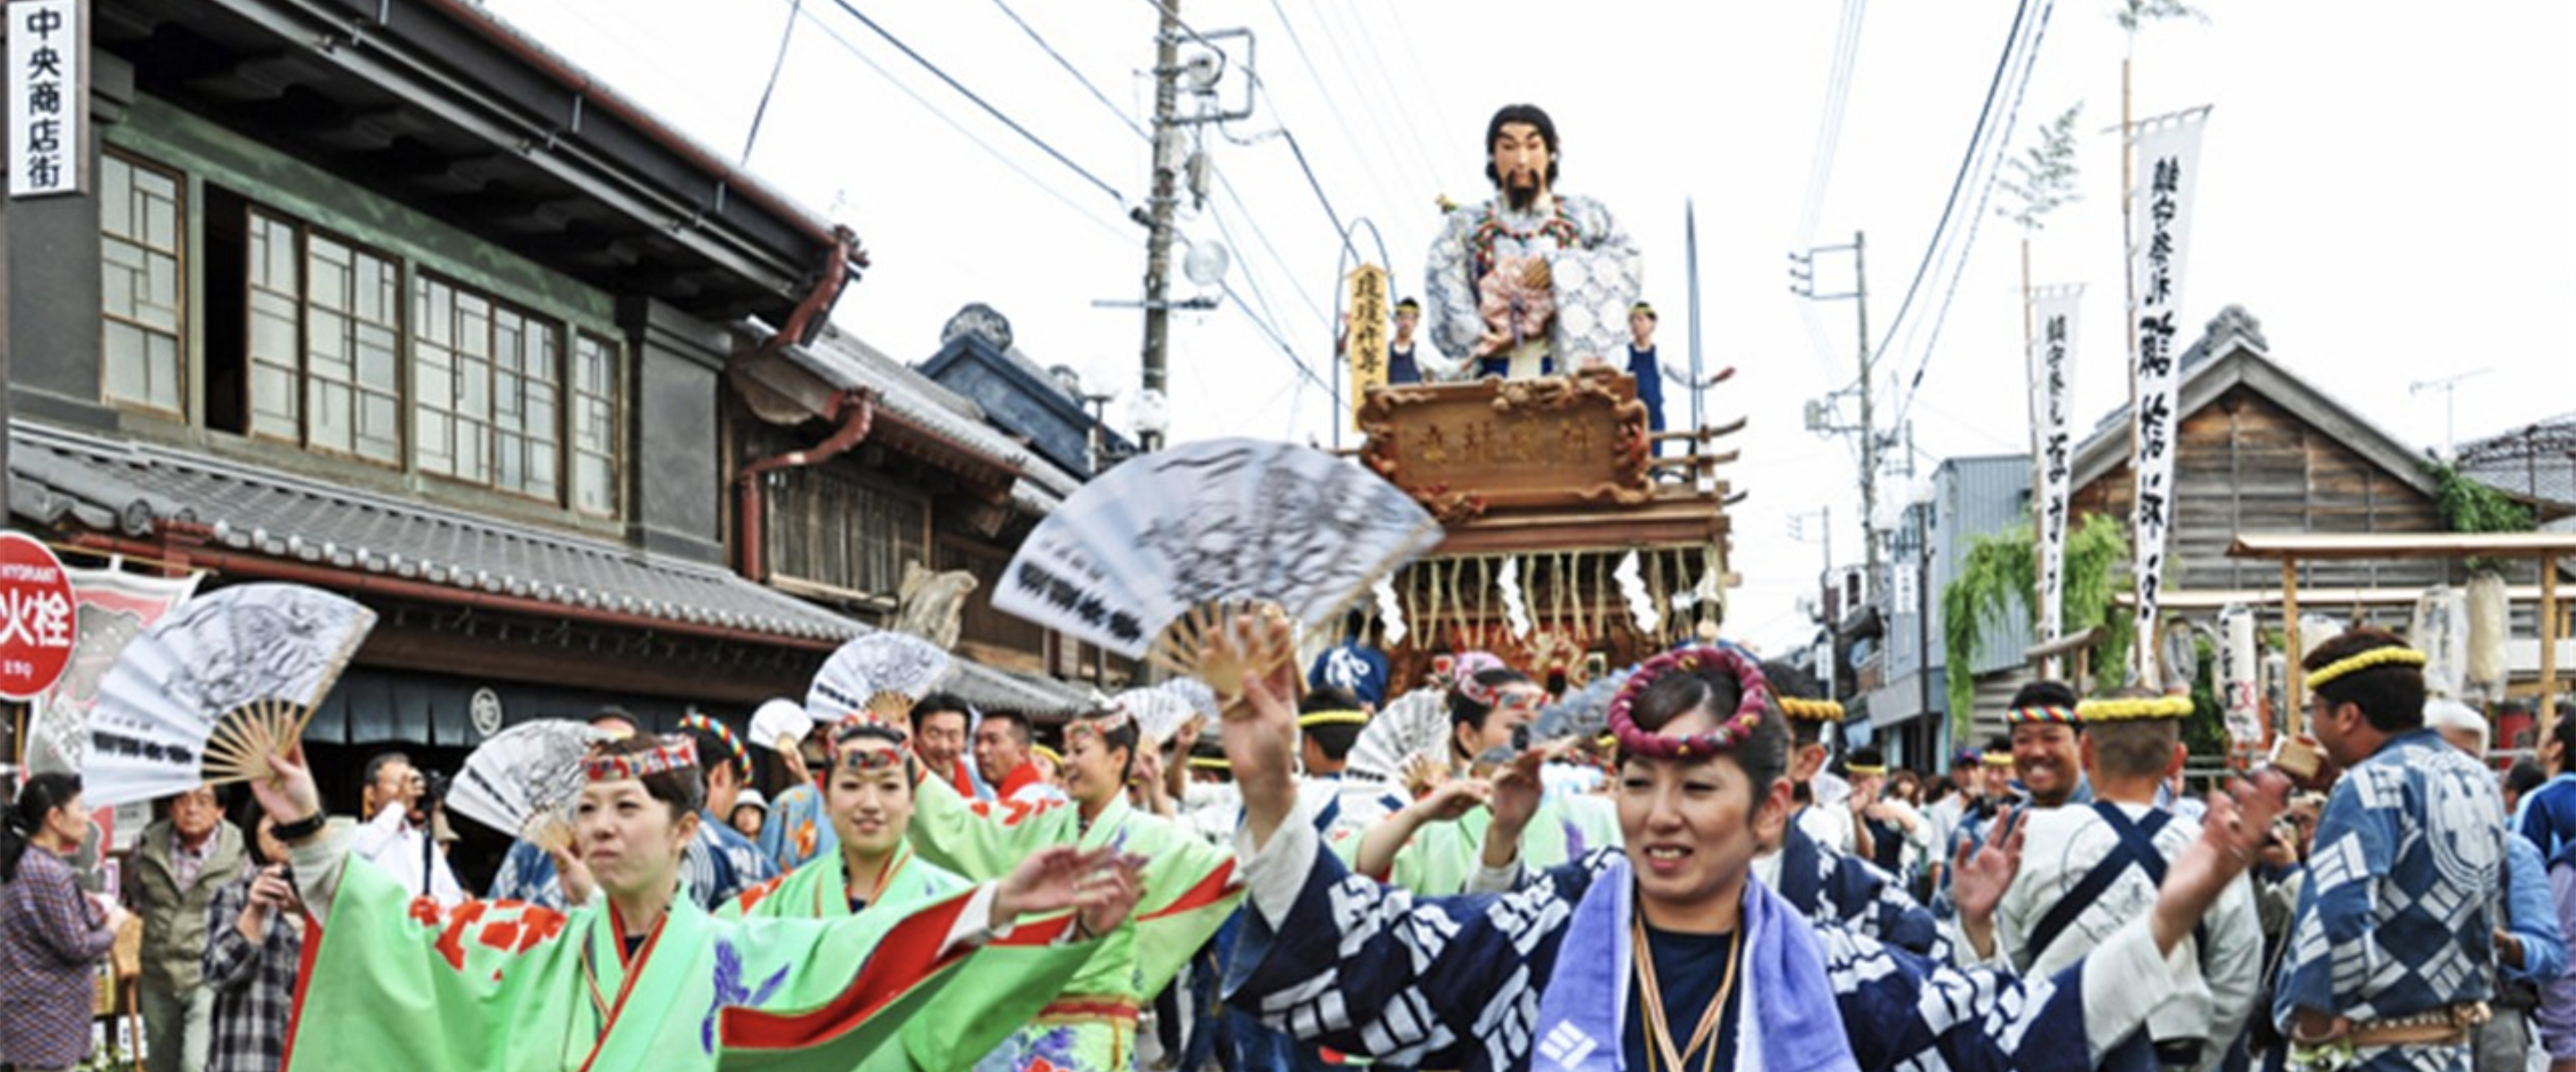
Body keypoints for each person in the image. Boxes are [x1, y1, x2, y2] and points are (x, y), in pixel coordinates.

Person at [1216, 629, 2292, 1072]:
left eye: (1697, 784)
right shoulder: (1548, 926)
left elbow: (2012, 1035)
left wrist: (2175, 905)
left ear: (1771, 807)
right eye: (1639, 781)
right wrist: (1269, 788)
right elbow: (1361, 947)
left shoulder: (1834, 960)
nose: (1658, 814)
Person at [250, 731, 1129, 1071]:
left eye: (627, 806)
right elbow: (408, 929)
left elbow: (866, 957)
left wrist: (1002, 900)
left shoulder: (740, 950)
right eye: (587, 808)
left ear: (683, 832)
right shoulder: (539, 943)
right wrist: (301, 817)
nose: (600, 826)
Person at [905, 705, 1244, 1072]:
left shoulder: (1154, 837)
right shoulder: (1040, 823)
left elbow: (1231, 873)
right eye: (1066, 752)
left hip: (1094, 1022)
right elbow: (966, 827)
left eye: (1079, 752)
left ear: (1118, 759)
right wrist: (903, 759)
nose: (1067, 762)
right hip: (1022, 1019)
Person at [1984, 688, 2261, 1072]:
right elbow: (2236, 977)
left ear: (2085, 753)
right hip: (2176, 1053)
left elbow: (2002, 971)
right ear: (2176, 760)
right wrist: (2204, 1061)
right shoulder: (2210, 848)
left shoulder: (2024, 837)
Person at [2274, 629, 2505, 1072]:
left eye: (2313, 712)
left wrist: (2313, 1016)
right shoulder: (2476, 778)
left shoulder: (2369, 784)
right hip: (2449, 1045)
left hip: (2374, 1049)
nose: (2312, 728)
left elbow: (2340, 914)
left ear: (2347, 716)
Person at [1423, 104, 1641, 381]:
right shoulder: (1465, 225)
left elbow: (1628, 262)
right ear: (1492, 154)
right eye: (1509, 147)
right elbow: (1443, 283)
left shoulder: (1588, 215)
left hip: (1568, 370)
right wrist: (1484, 336)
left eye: (1533, 145)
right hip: (1492, 371)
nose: (1522, 160)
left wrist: (1563, 269)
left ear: (1552, 151)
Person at [2424, 700, 2566, 1072]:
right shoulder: (2384, 841)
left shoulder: (2512, 852)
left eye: (2467, 758)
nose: (2452, 769)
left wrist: (2506, 945)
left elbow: (2550, 953)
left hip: (2490, 1024)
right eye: (2438, 755)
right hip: (2401, 1030)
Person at [0, 772, 131, 1072]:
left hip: (33, 1015)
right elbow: (79, 945)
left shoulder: (30, 861)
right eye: (81, 808)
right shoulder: (46, 871)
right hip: (45, 1019)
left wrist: (97, 906)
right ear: (55, 817)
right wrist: (114, 924)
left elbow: (67, 915)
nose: (88, 817)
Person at [125, 783, 247, 1072]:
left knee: (196, 1064)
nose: (191, 809)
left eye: (203, 801)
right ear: (169, 807)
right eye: (182, 800)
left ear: (220, 810)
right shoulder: (146, 846)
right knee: (161, 1064)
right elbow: (135, 898)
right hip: (159, 975)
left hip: (208, 974)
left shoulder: (239, 852)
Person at [201, 815, 305, 1072]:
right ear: (255, 831)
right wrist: (254, 910)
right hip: (249, 1058)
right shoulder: (233, 895)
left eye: (294, 821)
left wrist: (307, 913)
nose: (285, 833)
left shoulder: (330, 898)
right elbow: (218, 975)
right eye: (275, 826)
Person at [347, 750, 465, 907]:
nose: (407, 790)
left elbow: (453, 896)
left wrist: (434, 902)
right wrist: (398, 805)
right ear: (371, 794)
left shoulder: (421, 841)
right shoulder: (355, 834)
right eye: (399, 783)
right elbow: (364, 851)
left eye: (412, 782)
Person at [973, 711, 1062, 807]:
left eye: (993, 741)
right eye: (977, 741)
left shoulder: (1031, 803)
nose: (981, 750)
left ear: (1023, 753)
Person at [1308, 612, 1394, 712]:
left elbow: (1309, 688)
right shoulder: (1376, 658)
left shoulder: (1326, 656)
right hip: (1363, 715)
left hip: (1330, 714)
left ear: (1344, 629)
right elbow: (1382, 690)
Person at [911, 692, 980, 798]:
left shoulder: (979, 781)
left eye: (953, 736)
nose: (943, 746)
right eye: (933, 735)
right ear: (915, 736)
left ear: (965, 739)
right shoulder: (898, 778)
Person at [1625, 301, 1668, 440]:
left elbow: (1684, 377)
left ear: (1652, 323)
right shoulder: (1623, 353)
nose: (1636, 324)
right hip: (1631, 422)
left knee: (1654, 461)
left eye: (1640, 319)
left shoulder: (1660, 355)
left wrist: (1712, 380)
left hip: (1654, 421)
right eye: (1632, 320)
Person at [1387, 298, 1425, 384]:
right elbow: (1353, 360)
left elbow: (1447, 371)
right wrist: (1349, 332)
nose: (1406, 323)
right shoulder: (1384, 350)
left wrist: (1462, 366)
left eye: (1410, 319)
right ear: (1396, 320)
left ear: (1416, 323)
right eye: (1403, 318)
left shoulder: (1421, 351)